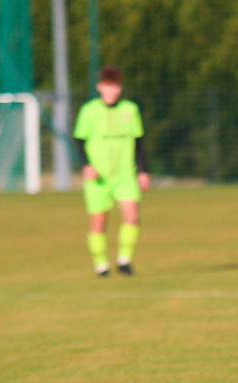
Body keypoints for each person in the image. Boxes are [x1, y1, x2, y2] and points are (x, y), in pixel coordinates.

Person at [73, 65, 150, 277]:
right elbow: (79, 140)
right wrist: (87, 165)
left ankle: (125, 260)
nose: (112, 90)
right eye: (108, 86)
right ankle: (101, 264)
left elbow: (138, 140)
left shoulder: (130, 109)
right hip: (99, 177)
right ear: (100, 87)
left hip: (125, 174)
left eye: (116, 86)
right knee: (99, 222)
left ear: (120, 87)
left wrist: (144, 171)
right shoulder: (89, 111)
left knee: (132, 215)